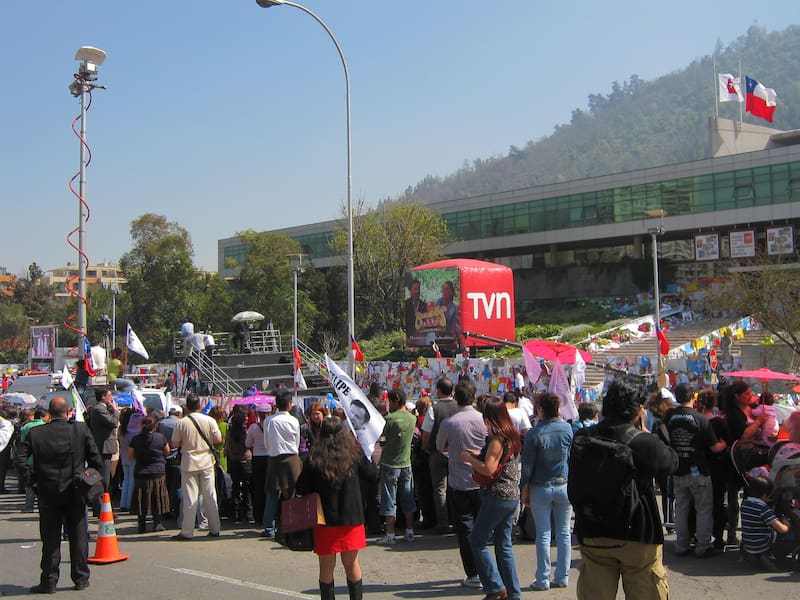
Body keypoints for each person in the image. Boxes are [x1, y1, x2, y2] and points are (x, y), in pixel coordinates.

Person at [572, 379, 677, 600]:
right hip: (637, 531)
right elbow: (671, 463)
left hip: (593, 529)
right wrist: (646, 430)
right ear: (639, 410)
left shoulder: (583, 437)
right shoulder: (644, 442)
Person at [16, 396, 103, 593]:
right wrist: (88, 479)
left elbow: (20, 460)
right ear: (68, 411)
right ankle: (80, 578)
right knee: (78, 536)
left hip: (47, 491)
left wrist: (33, 480)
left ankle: (49, 581)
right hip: (75, 490)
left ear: (49, 413)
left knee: (50, 538)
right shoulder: (80, 430)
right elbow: (96, 460)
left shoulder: (36, 433)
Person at [295, 417, 378, 600]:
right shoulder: (355, 454)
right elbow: (373, 474)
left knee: (326, 567)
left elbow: (301, 488)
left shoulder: (314, 458)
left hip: (324, 519)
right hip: (352, 518)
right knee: (352, 563)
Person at [462, 396, 522, 600]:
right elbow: (497, 462)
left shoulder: (497, 439)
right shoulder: (511, 436)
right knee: (504, 545)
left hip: (497, 495)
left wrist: (470, 459)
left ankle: (495, 587)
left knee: (477, 540)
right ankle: (514, 593)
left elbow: (488, 469)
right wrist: (480, 454)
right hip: (511, 494)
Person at [663, 383, 726, 558]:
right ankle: (702, 546)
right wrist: (724, 444)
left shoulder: (669, 417)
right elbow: (714, 447)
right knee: (703, 508)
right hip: (698, 469)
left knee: (681, 508)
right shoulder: (701, 419)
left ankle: (681, 545)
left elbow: (662, 436)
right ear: (693, 397)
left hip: (677, 468)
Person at [436, 379, 488, 589]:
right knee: (483, 528)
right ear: (474, 397)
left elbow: (440, 445)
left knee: (465, 530)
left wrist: (455, 450)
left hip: (459, 481)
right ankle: (486, 570)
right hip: (482, 479)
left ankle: (474, 573)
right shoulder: (484, 420)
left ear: (455, 397)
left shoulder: (450, 423)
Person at [520, 392, 573, 591]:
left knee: (543, 534)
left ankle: (542, 579)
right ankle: (562, 576)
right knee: (564, 533)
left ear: (540, 409)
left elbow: (527, 466)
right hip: (563, 484)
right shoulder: (567, 429)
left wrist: (524, 488)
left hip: (540, 486)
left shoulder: (535, 433)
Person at [170, 395, 222, 540]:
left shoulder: (182, 423)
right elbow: (218, 440)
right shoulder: (210, 420)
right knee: (210, 495)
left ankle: (187, 531)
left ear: (186, 406)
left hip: (189, 461)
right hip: (206, 460)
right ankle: (215, 527)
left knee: (190, 497)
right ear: (199, 405)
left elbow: (175, 443)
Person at [375, 388, 417, 545]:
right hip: (406, 462)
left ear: (395, 400)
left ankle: (390, 534)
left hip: (390, 463)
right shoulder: (412, 419)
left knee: (389, 499)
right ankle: (410, 530)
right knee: (408, 497)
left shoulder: (389, 419)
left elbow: (382, 441)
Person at [695, 388, 732, 550]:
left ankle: (698, 535)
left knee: (698, 503)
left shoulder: (695, 420)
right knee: (717, 502)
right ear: (714, 403)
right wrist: (723, 443)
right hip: (717, 467)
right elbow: (726, 442)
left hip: (698, 466)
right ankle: (717, 536)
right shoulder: (717, 422)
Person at [420, 377, 458, 533]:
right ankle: (456, 520)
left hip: (437, 452)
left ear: (439, 391)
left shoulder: (433, 409)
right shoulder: (459, 406)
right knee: (456, 487)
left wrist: (425, 447)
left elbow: (426, 433)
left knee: (439, 488)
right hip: (456, 452)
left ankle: (442, 522)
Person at [262, 391, 302, 538]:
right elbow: (296, 441)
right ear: (290, 404)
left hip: (274, 458)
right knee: (291, 493)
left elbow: (266, 442)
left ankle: (269, 527)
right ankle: (292, 523)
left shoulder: (269, 421)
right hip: (291, 458)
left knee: (272, 493)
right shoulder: (294, 421)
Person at [740, 475, 791, 571]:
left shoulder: (745, 504)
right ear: (765, 495)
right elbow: (782, 529)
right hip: (762, 543)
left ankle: (753, 554)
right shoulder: (763, 508)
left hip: (748, 542)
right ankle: (767, 555)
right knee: (782, 535)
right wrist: (786, 522)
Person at [129, 415, 170, 533]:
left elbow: (130, 455)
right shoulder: (161, 438)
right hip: (157, 471)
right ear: (155, 426)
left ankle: (141, 525)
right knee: (157, 497)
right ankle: (157, 523)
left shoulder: (136, 439)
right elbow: (167, 452)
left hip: (141, 472)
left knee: (141, 499)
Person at [87, 387, 120, 499]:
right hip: (103, 446)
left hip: (106, 446)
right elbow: (113, 422)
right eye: (110, 395)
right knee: (104, 477)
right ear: (103, 397)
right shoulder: (98, 409)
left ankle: (103, 504)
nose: (112, 398)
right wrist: (115, 411)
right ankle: (102, 504)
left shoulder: (103, 408)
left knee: (107, 475)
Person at [224, 410, 254, 523]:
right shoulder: (245, 433)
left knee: (235, 487)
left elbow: (226, 448)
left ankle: (235, 512)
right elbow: (249, 445)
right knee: (247, 488)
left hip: (234, 461)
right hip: (246, 461)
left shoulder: (230, 433)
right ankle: (249, 513)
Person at [19, 407, 48, 512]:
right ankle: (43, 504)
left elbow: (22, 443)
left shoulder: (26, 427)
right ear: (42, 416)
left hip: (29, 459)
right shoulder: (46, 426)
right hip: (44, 459)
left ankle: (29, 506)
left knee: (29, 483)